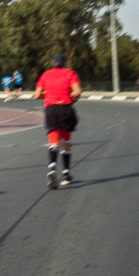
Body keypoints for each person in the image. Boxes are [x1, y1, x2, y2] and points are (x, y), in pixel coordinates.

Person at [34, 53, 82, 188]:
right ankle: (66, 174)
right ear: (64, 62)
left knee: (53, 142)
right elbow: (77, 92)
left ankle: (52, 169)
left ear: (52, 62)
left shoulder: (45, 75)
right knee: (66, 142)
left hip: (51, 110)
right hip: (66, 108)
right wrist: (70, 98)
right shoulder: (70, 74)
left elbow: (37, 95)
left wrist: (48, 94)